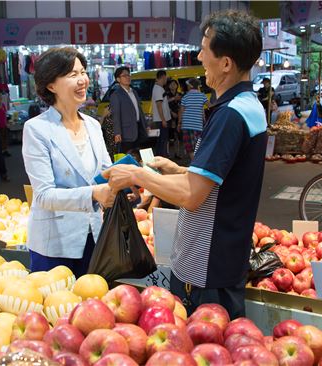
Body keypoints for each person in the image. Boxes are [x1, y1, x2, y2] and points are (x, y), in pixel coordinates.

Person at [103, 9, 266, 319]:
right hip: (225, 258)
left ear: (226, 63)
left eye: (205, 48)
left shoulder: (231, 115)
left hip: (207, 269)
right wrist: (179, 170)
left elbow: (192, 195)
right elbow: (226, 177)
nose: (200, 56)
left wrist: (137, 174)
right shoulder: (248, 106)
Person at [22, 47, 116, 277]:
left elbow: (103, 173)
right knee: (57, 308)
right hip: (54, 244)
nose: (82, 80)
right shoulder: (37, 129)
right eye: (72, 75)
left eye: (82, 72)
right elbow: (43, 195)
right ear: (51, 85)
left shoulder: (93, 126)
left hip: (94, 237)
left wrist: (125, 180)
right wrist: (94, 193)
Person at [109, 66, 147, 154]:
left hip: (139, 127)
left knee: (138, 155)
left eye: (128, 75)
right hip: (126, 131)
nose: (128, 77)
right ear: (118, 79)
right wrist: (117, 133)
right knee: (127, 155)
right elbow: (116, 115)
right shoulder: (116, 95)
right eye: (124, 76)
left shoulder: (134, 91)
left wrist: (145, 125)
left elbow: (139, 110)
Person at [178, 78, 208, 160]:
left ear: (190, 86)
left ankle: (194, 163)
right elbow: (210, 106)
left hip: (187, 125)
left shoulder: (185, 97)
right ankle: (198, 163)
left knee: (190, 147)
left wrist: (179, 123)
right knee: (199, 146)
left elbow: (181, 111)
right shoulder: (202, 96)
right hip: (198, 125)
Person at [151, 70, 172, 157]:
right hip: (161, 120)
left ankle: (161, 159)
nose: (166, 80)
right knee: (162, 141)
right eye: (166, 78)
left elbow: (162, 103)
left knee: (161, 141)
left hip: (161, 119)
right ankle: (161, 160)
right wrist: (163, 120)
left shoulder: (158, 88)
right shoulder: (158, 89)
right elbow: (159, 105)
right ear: (163, 77)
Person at [165, 79, 182, 158]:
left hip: (178, 117)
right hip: (169, 117)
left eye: (174, 84)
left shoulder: (179, 94)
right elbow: (165, 104)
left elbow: (182, 106)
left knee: (177, 136)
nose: (173, 86)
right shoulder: (166, 94)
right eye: (171, 84)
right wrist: (172, 112)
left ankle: (177, 153)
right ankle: (167, 153)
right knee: (168, 136)